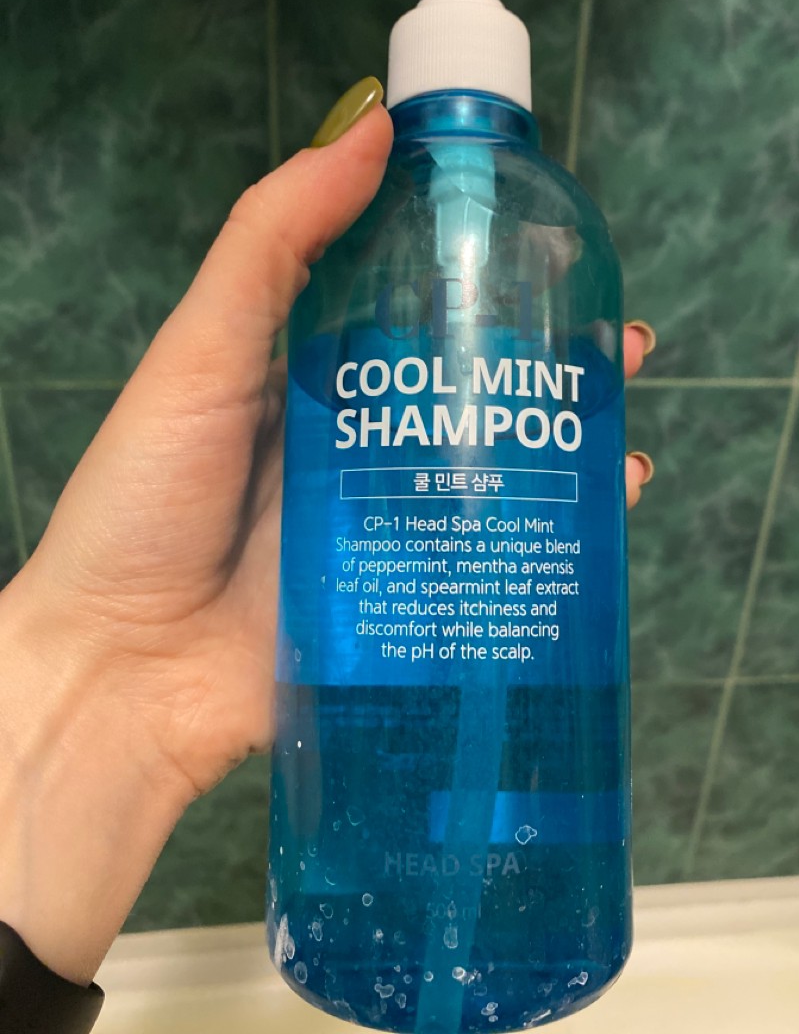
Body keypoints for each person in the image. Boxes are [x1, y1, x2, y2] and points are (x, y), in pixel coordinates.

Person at [0, 80, 655, 1032]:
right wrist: (118, 658)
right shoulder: (387, 215)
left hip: (553, 902)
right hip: (354, 892)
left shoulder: (556, 218)